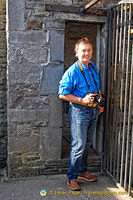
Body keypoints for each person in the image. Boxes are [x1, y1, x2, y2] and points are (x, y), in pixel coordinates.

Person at [58, 38, 104, 191]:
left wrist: (98, 103)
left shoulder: (92, 67)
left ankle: (83, 171)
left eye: (89, 50)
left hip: (93, 110)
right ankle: (71, 177)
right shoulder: (72, 71)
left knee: (88, 144)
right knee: (78, 146)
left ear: (92, 52)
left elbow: (97, 87)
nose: (86, 53)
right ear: (77, 52)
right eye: (83, 50)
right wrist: (81, 100)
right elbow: (62, 94)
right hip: (79, 112)